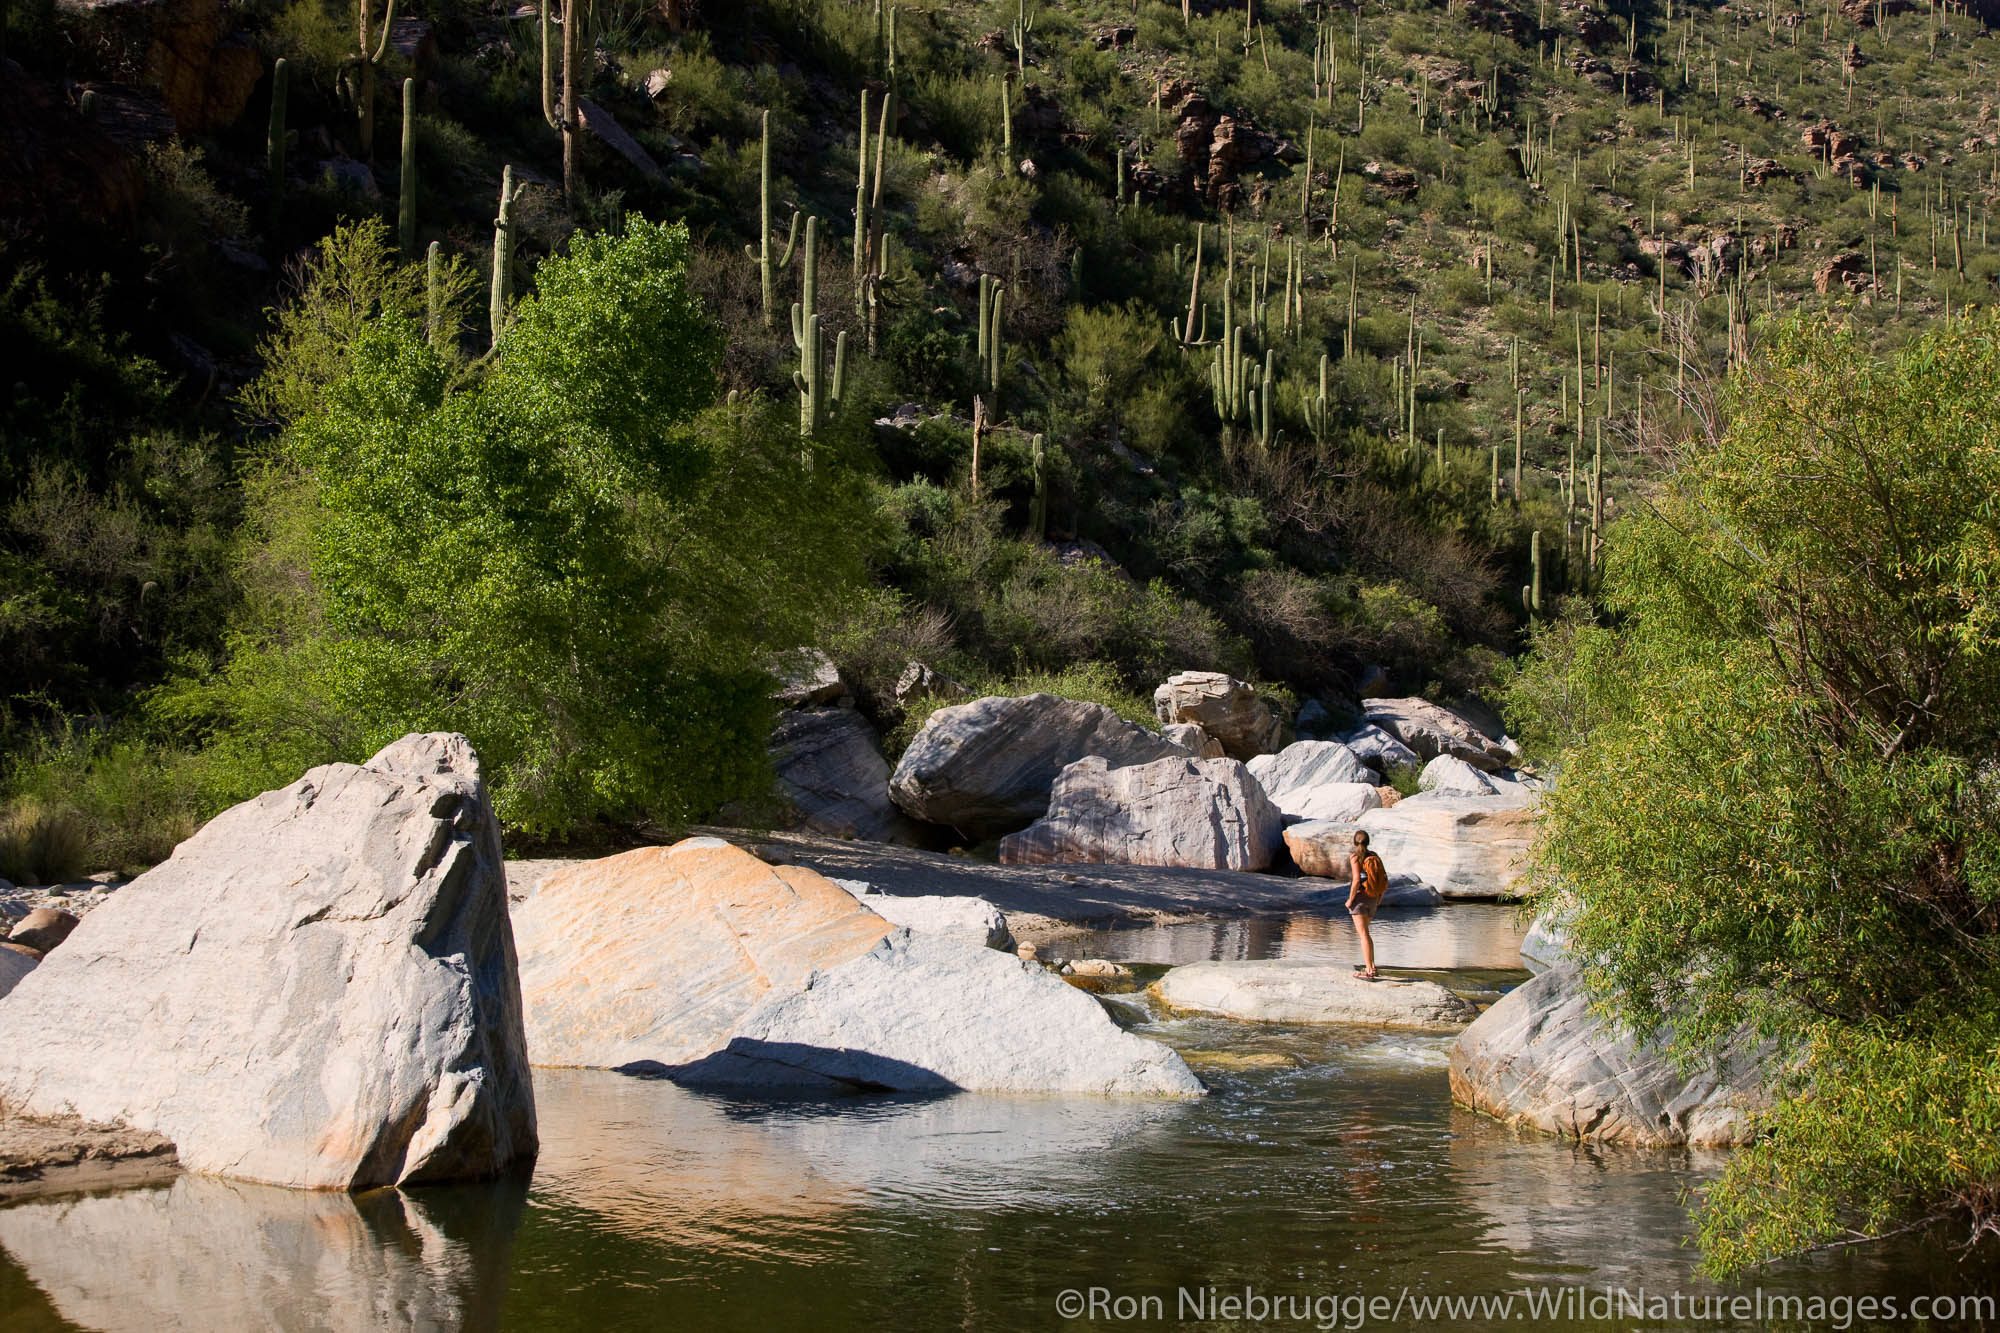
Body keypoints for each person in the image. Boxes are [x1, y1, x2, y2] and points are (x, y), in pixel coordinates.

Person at [1346, 830, 1388, 979]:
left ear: (1354, 842)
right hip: (1373, 898)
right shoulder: (1374, 856)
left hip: (1361, 899)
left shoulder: (1355, 857)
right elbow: (1384, 878)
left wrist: (1350, 900)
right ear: (1368, 842)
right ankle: (1371, 967)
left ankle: (1370, 970)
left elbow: (1357, 880)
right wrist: (1379, 898)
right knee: (1366, 934)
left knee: (1363, 935)